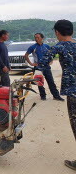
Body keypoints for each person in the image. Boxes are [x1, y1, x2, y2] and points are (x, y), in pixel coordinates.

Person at [38, 20, 76, 170]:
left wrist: (37, 73)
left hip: (73, 93)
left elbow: (43, 62)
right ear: (72, 32)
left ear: (57, 33)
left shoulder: (59, 46)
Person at [25, 33, 63, 101]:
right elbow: (26, 55)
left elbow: (52, 54)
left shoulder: (47, 46)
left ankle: (56, 96)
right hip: (38, 67)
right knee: (40, 82)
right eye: (35, 38)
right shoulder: (33, 47)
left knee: (51, 82)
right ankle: (43, 96)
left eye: (38, 37)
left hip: (47, 67)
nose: (36, 39)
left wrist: (51, 61)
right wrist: (31, 63)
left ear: (42, 38)